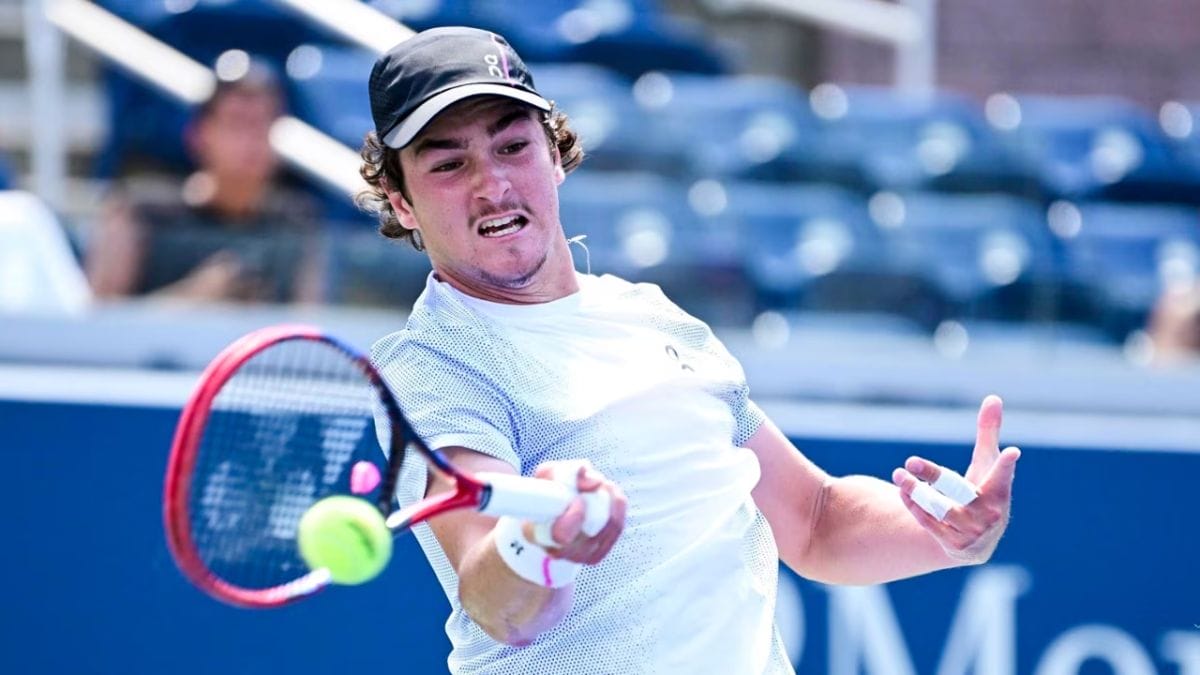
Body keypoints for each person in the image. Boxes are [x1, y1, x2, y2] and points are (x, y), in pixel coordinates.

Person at [358, 26, 1021, 674]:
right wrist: (535, 543)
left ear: (554, 155)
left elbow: (816, 520)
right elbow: (494, 597)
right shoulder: (430, 367)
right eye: (449, 163)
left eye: (512, 147)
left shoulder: (654, 318)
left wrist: (944, 532)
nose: (492, 183)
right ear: (403, 204)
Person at [86, 61, 325, 304]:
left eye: (262, 124)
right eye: (237, 123)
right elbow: (100, 325)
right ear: (198, 136)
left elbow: (308, 324)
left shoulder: (297, 223)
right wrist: (193, 296)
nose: (251, 140)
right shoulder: (137, 214)